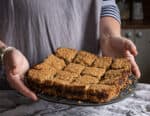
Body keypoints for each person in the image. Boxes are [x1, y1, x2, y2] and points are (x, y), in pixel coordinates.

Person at [0, 0, 140, 101]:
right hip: (15, 98)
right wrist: (4, 52)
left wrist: (109, 36)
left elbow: (106, 4)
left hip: (89, 102)